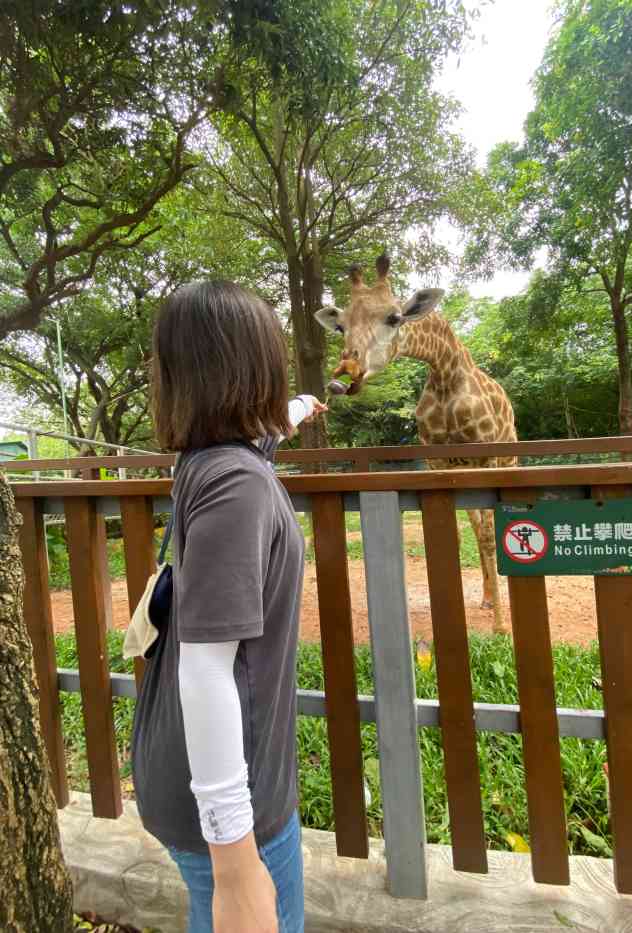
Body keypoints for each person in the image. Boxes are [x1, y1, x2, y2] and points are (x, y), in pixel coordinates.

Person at [132, 281, 325, 933]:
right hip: (229, 806)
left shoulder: (208, 460)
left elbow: (263, 436)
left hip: (194, 781)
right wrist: (237, 861)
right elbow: (205, 667)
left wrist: (299, 407)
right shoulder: (238, 484)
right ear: (252, 365)